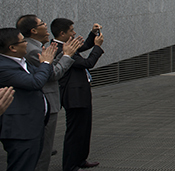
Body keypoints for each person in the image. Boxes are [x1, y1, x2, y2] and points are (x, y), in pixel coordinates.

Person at [16, 15, 82, 171]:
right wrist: (67, 55)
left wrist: (63, 53)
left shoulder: (37, 46)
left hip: (44, 103)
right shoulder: (32, 50)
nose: (46, 27)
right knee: (43, 151)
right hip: (44, 104)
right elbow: (52, 74)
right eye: (42, 24)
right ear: (33, 30)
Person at [51, 18, 104, 171]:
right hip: (74, 97)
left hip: (81, 94)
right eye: (71, 31)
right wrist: (97, 47)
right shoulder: (60, 50)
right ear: (62, 33)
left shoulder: (66, 45)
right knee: (75, 132)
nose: (74, 33)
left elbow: (83, 46)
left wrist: (92, 34)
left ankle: (80, 160)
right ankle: (70, 165)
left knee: (84, 129)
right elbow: (88, 63)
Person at [0, 27, 57, 171]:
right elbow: (35, 82)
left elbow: (39, 76)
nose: (27, 43)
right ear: (12, 47)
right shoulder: (4, 67)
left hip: (34, 125)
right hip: (20, 130)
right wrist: (46, 63)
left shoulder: (21, 61)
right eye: (23, 41)